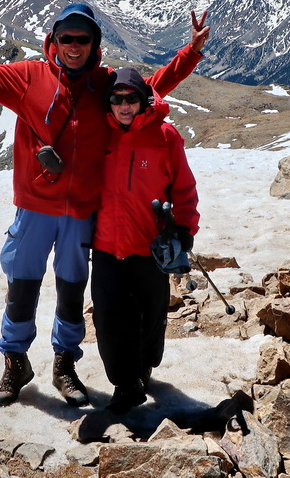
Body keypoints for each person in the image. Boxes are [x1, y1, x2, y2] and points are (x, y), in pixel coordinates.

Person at [0, 0, 209, 407]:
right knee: (22, 286)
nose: (74, 46)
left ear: (94, 43)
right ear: (54, 41)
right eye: (67, 38)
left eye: (83, 39)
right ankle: (15, 362)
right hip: (34, 208)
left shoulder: (104, 85)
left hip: (81, 212)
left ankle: (65, 363)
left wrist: (189, 53)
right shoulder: (28, 77)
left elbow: (150, 87)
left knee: (71, 289)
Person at [90, 67, 199, 414]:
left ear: (143, 100)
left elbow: (184, 188)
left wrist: (185, 230)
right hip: (106, 245)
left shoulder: (165, 136)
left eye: (131, 99)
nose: (124, 106)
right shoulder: (98, 135)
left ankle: (146, 367)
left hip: (150, 245)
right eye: (117, 99)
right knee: (108, 319)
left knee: (151, 315)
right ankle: (125, 385)